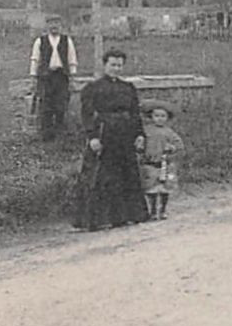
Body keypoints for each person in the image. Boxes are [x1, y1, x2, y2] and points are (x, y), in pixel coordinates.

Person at [71, 49, 149, 231]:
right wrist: (92, 137)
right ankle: (96, 219)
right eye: (113, 65)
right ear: (105, 65)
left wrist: (139, 135)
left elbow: (135, 114)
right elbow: (87, 115)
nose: (116, 68)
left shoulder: (128, 88)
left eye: (119, 65)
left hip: (125, 134)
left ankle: (127, 215)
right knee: (101, 176)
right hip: (105, 133)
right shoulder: (93, 88)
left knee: (127, 173)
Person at [28, 14, 78, 140]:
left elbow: (72, 59)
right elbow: (35, 60)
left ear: (61, 25)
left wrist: (72, 77)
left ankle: (60, 133)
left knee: (61, 105)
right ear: (47, 25)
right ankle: (46, 135)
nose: (54, 26)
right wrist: (33, 77)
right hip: (46, 77)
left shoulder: (67, 41)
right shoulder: (40, 41)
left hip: (61, 76)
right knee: (46, 105)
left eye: (57, 23)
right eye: (51, 23)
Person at [137, 100, 186, 220]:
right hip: (150, 164)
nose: (160, 119)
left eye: (163, 116)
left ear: (167, 118)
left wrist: (172, 148)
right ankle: (153, 211)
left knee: (165, 188)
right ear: (151, 117)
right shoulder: (146, 130)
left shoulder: (169, 132)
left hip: (165, 164)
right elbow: (139, 144)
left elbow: (179, 145)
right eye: (157, 116)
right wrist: (140, 146)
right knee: (151, 188)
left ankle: (163, 210)